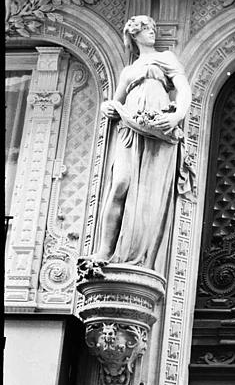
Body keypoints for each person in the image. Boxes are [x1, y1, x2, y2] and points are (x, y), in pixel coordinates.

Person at [80, 15, 194, 275]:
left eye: (152, 28)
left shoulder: (166, 58)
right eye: (144, 29)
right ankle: (105, 250)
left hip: (157, 129)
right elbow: (114, 101)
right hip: (129, 128)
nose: (151, 33)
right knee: (120, 183)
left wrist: (177, 115)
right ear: (133, 35)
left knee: (148, 193)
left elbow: (184, 90)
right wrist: (108, 106)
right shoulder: (129, 70)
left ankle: (140, 255)